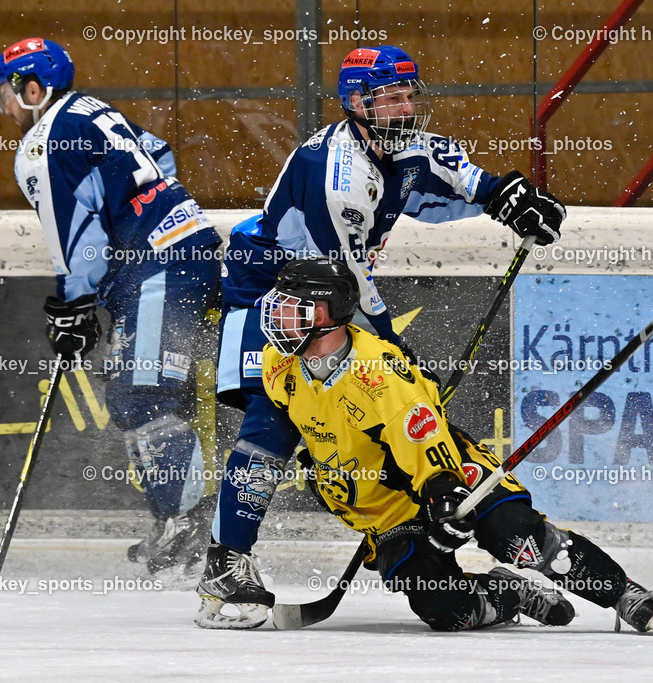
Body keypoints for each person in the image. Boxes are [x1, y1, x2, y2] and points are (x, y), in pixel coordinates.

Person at [198, 44, 567, 627]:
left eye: (409, 94)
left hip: (329, 287)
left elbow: (467, 185)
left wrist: (510, 199)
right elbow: (342, 290)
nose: (405, 106)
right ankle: (226, 564)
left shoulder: (410, 145)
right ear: (355, 104)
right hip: (269, 287)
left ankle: (421, 521)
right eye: (390, 98)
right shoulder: (334, 178)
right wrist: (392, 351)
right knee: (271, 418)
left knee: (383, 411)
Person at [218, 257, 653, 634]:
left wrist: (442, 496)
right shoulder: (280, 364)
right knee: (445, 609)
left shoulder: (381, 378)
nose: (279, 313)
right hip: (386, 511)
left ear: (331, 312)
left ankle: (621, 591)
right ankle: (508, 593)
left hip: (455, 474)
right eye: (281, 302)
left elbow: (429, 453)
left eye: (298, 305)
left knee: (521, 541)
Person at [0, 37, 221, 572]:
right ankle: (180, 520)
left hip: (159, 265)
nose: (3, 105)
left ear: (32, 89)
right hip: (176, 254)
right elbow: (158, 153)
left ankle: (190, 526)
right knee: (145, 392)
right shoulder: (92, 110)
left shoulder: (45, 141)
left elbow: (80, 241)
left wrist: (73, 306)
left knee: (143, 394)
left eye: (7, 91)